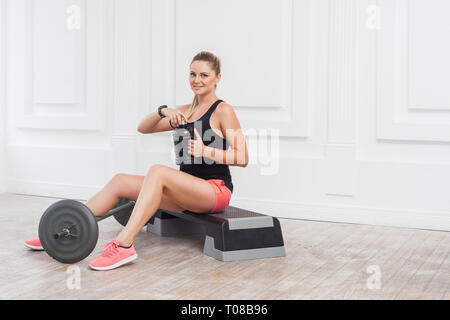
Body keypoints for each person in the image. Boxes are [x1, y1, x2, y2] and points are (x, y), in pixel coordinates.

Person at [24, 51, 249, 271]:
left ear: (217, 78)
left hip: (214, 191)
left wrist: (206, 151)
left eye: (204, 75)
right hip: (186, 190)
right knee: (121, 181)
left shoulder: (223, 110)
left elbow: (243, 157)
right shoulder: (185, 111)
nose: (197, 80)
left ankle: (124, 245)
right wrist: (162, 111)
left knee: (158, 172)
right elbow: (143, 128)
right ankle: (64, 226)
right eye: (193, 74)